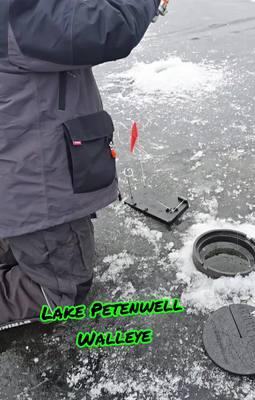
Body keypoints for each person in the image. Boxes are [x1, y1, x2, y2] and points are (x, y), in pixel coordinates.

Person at [0, 0, 160, 330]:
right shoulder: (18, 11)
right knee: (61, 290)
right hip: (31, 185)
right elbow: (108, 26)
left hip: (13, 173)